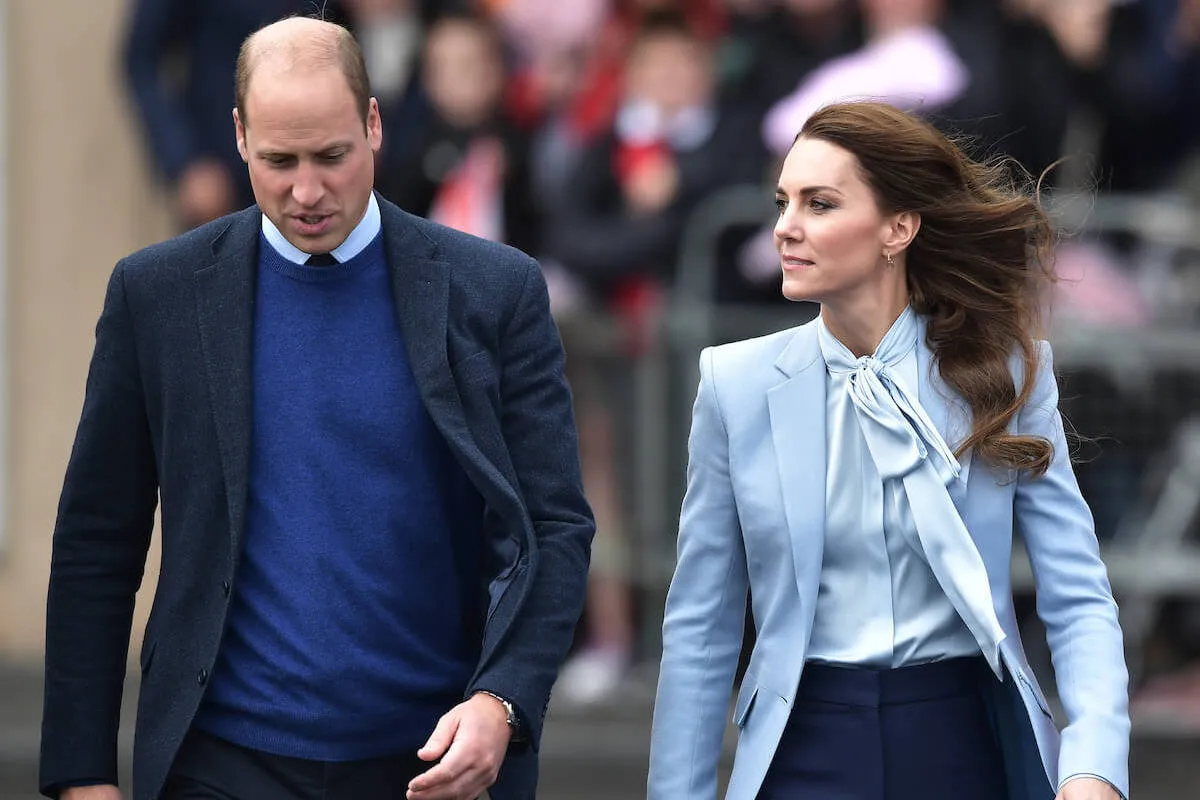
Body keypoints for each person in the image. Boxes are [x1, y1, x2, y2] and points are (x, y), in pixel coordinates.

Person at [40, 15, 593, 800]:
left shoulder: (492, 291)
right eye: (279, 160)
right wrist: (81, 772)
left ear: (373, 125)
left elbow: (553, 524)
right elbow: (99, 534)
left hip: (433, 761)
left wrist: (503, 700)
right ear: (237, 136)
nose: (307, 190)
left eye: (332, 156)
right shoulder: (157, 294)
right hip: (222, 760)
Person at [648, 100, 1129, 800]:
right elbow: (701, 627)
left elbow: (1078, 595)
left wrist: (1094, 767)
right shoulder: (735, 383)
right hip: (803, 746)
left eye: (820, 204)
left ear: (897, 228)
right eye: (782, 202)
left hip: (966, 739)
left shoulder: (1008, 374)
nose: (786, 227)